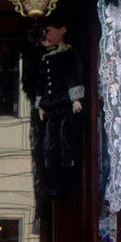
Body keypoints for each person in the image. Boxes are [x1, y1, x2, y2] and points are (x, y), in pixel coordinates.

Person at [34, 22, 85, 195]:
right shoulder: (46, 58)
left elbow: (73, 75)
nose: (45, 36)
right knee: (50, 144)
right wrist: (40, 105)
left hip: (64, 105)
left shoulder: (68, 54)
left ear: (62, 30)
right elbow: (41, 83)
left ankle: (66, 183)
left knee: (66, 142)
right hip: (50, 107)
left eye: (48, 31)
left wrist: (76, 99)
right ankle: (51, 183)